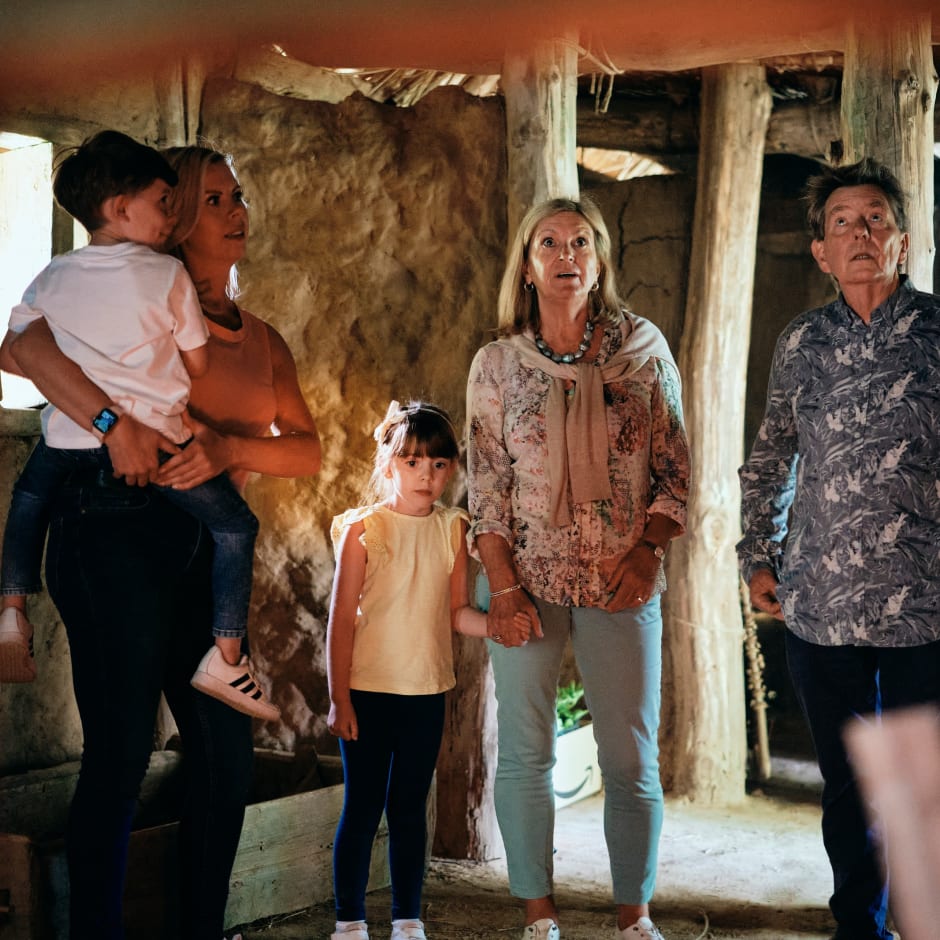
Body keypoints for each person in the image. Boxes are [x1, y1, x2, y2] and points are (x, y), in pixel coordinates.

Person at [0, 143, 320, 940]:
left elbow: (307, 451)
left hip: (208, 551)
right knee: (119, 757)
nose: (235, 210)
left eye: (237, 194)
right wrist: (113, 425)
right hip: (116, 528)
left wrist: (231, 449)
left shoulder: (261, 338)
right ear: (167, 208)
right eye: (214, 197)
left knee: (225, 758)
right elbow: (22, 348)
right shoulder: (122, 293)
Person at [466, 196, 689, 940]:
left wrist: (648, 553)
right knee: (525, 751)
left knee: (629, 756)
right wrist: (501, 586)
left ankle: (634, 918)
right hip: (521, 579)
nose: (568, 255)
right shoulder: (498, 364)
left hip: (620, 576)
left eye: (582, 242)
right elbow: (486, 485)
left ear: (600, 261)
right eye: (550, 243)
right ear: (527, 266)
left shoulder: (643, 350)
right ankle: (539, 915)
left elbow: (676, 471)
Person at [0, 130, 276, 722]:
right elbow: (196, 362)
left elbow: (13, 350)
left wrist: (84, 352)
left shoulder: (53, 275)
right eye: (166, 202)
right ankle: (227, 655)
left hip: (65, 442)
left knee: (26, 501)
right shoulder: (164, 277)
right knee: (235, 525)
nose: (170, 214)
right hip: (156, 447)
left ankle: (11, 606)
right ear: (122, 209)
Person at [737, 157, 940, 940]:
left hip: (925, 604)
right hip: (822, 602)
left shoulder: (935, 333)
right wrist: (758, 555)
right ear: (820, 250)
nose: (861, 233)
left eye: (875, 219)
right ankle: (859, 925)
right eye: (843, 222)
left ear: (903, 240)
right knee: (850, 785)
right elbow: (769, 459)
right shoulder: (803, 344)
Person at [327, 399, 526, 940]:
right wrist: (338, 698)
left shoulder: (453, 530)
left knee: (411, 807)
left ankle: (407, 921)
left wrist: (496, 626)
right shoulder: (363, 530)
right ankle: (348, 922)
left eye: (439, 464)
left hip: (425, 694)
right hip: (366, 693)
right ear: (388, 463)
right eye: (413, 462)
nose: (427, 475)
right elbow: (341, 620)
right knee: (363, 807)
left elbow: (456, 613)